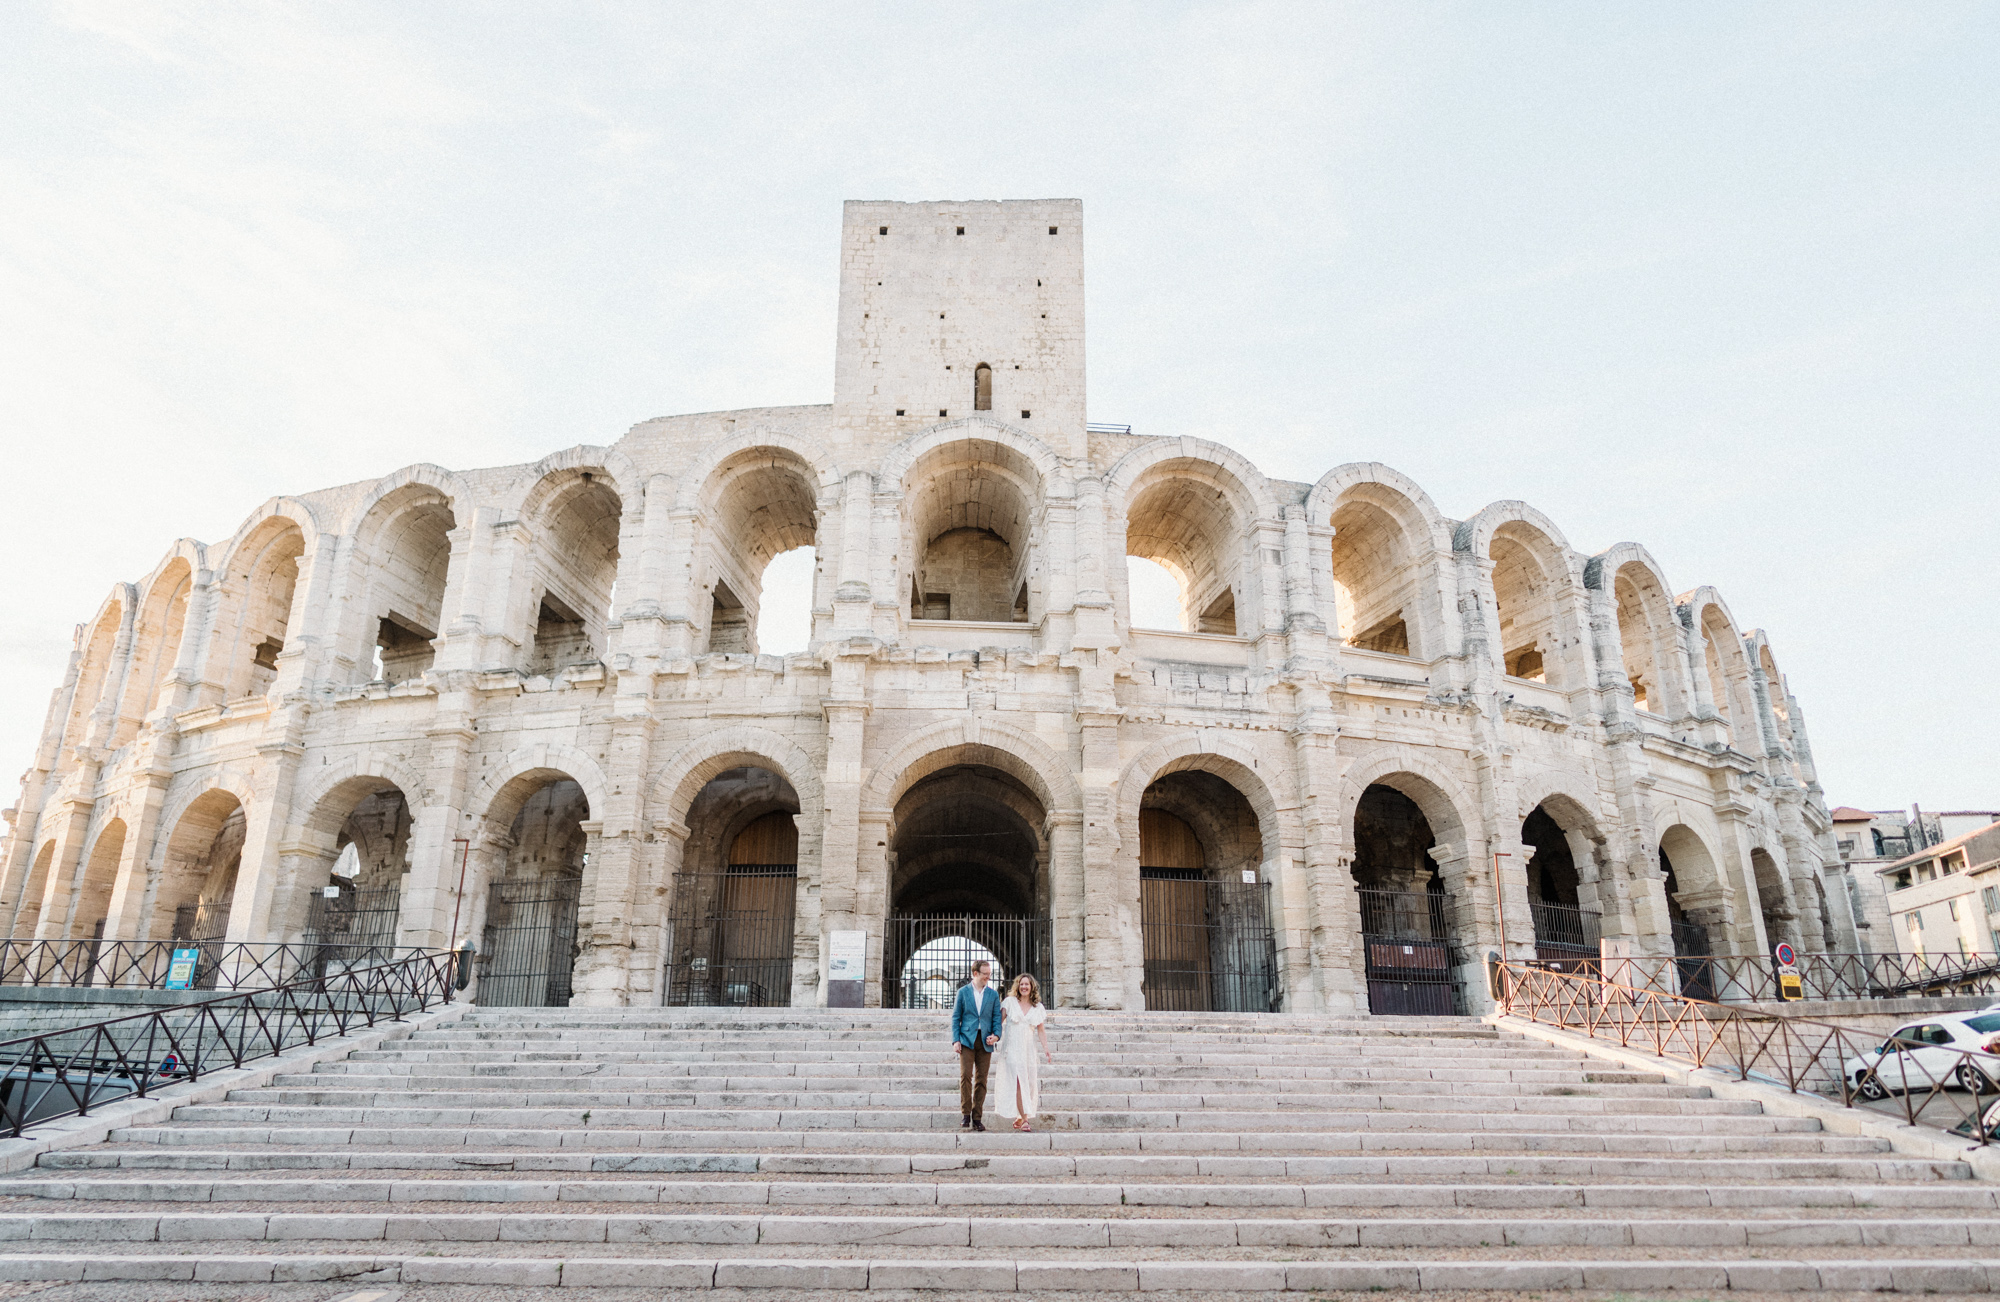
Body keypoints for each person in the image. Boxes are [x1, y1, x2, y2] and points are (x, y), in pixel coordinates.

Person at [992, 972, 1052, 1131]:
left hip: (1028, 1050)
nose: (1024, 986)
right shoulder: (1009, 1002)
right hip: (1012, 1048)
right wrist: (994, 1037)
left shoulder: (1037, 1007)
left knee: (1030, 1083)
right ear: (1017, 986)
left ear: (1032, 987)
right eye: (1021, 984)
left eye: (1027, 984)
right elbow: (999, 1022)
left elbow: (1041, 1030)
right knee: (1019, 1081)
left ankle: (1020, 1116)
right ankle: (1025, 1119)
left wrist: (1046, 1048)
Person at [950, 959, 1002, 1131]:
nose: (988, 977)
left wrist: (996, 1036)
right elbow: (956, 1017)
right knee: (965, 1076)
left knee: (982, 1080)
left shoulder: (993, 995)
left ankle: (977, 1117)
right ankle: (965, 1114)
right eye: (985, 974)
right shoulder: (963, 992)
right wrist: (955, 1040)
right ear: (975, 974)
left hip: (985, 1040)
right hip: (966, 1039)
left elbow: (996, 1018)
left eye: (990, 974)